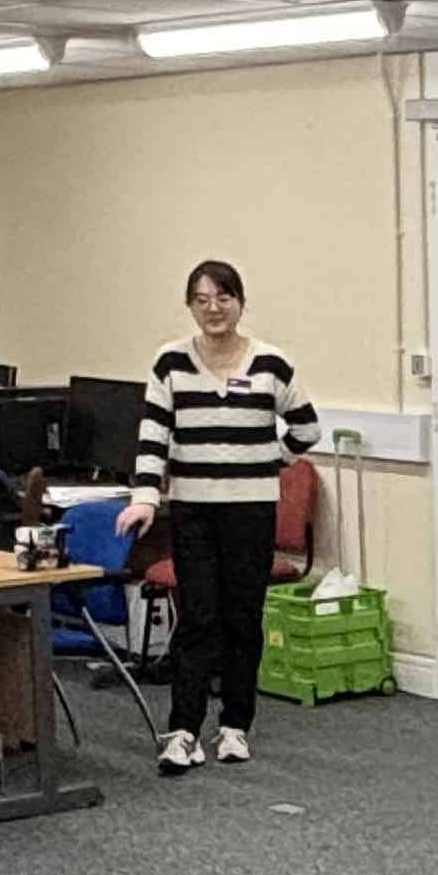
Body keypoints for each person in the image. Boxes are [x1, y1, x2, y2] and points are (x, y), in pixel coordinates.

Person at [123, 258, 318, 777]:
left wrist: (266, 459)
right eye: (202, 299)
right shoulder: (170, 362)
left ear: (240, 302)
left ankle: (236, 725)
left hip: (251, 509)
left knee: (242, 619)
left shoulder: (270, 364)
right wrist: (144, 496)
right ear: (190, 305)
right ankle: (183, 730)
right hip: (192, 509)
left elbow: (307, 430)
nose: (213, 308)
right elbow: (152, 437)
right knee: (198, 619)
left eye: (223, 297)